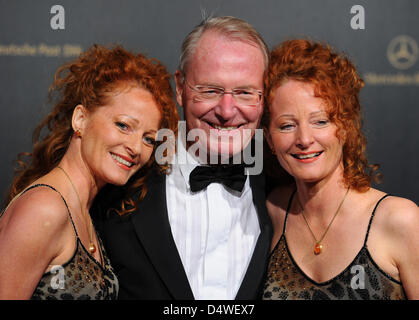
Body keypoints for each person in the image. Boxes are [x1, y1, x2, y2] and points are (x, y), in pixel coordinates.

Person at [94, 16, 272, 300]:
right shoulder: (118, 183)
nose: (227, 111)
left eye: (244, 92)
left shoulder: (286, 194)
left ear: (263, 98)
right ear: (180, 87)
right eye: (210, 90)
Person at [0, 45, 179, 300]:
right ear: (80, 119)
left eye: (149, 139)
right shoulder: (44, 209)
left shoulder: (86, 212)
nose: (136, 148)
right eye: (123, 125)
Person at [262, 39, 419, 300]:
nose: (304, 139)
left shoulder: (401, 220)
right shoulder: (272, 211)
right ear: (269, 139)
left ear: (345, 127)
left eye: (320, 121)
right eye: (287, 125)